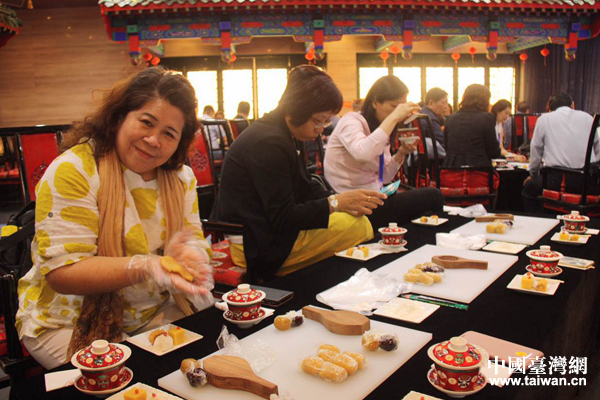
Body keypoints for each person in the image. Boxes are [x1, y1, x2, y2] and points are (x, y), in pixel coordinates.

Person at [16, 67, 214, 369]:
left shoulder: (180, 178)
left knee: (202, 358)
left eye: (169, 134)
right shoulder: (75, 169)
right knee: (125, 379)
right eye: (146, 122)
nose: (153, 140)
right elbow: (63, 273)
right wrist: (148, 265)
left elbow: (194, 239)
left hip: (153, 309)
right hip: (67, 318)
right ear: (120, 116)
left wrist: (191, 256)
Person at [211, 65, 383, 282]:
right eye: (318, 120)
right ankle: (310, 285)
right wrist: (335, 203)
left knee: (352, 217)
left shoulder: (284, 132)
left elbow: (304, 187)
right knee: (357, 226)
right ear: (296, 110)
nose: (321, 128)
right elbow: (284, 218)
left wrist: (341, 203)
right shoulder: (269, 142)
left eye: (326, 121)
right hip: (255, 242)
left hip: (266, 229)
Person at [324, 75, 444, 230]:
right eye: (394, 106)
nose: (399, 113)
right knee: (433, 196)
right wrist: (393, 118)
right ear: (375, 103)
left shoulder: (380, 128)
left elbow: (384, 176)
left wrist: (401, 153)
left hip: (375, 197)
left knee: (421, 211)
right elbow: (363, 154)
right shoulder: (351, 121)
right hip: (354, 202)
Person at [522, 92, 600, 212]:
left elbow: (536, 149)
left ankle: (542, 219)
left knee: (529, 189)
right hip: (587, 183)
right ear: (572, 105)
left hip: (557, 181)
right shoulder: (588, 118)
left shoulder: (544, 119)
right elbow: (598, 149)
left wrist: (533, 174)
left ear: (550, 108)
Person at [443, 84, 502, 167]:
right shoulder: (487, 118)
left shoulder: (450, 118)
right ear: (485, 101)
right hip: (477, 170)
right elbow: (493, 152)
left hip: (452, 169)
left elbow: (446, 147)